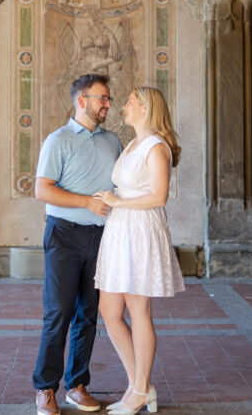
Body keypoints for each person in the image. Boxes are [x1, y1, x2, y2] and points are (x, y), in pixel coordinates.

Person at [33, 74, 123, 415]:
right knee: (58, 313)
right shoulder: (57, 141)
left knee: (88, 315)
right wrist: (87, 202)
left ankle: (77, 385)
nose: (107, 104)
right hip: (64, 236)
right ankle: (45, 388)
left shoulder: (112, 140)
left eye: (109, 99)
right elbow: (43, 190)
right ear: (81, 101)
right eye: (102, 98)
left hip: (103, 238)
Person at [93, 86, 184, 415]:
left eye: (131, 102)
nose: (124, 107)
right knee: (109, 309)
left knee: (137, 310)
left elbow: (159, 197)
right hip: (120, 231)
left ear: (146, 108)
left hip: (141, 232)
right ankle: (138, 385)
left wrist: (118, 201)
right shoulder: (132, 143)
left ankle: (140, 389)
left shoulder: (157, 148)